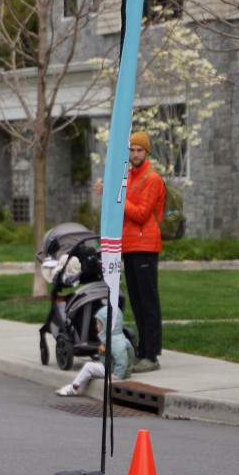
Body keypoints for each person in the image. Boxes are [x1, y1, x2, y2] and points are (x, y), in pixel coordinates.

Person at [96, 130, 166, 371]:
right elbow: (122, 206)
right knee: (137, 302)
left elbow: (141, 213)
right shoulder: (130, 176)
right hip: (130, 246)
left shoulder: (151, 178)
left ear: (147, 153)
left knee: (148, 303)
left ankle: (151, 356)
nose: (135, 154)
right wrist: (108, 192)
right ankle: (143, 351)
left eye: (139, 150)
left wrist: (117, 197)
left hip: (145, 246)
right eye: (132, 150)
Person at [56, 298, 135, 396]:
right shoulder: (116, 337)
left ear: (106, 325)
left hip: (115, 371)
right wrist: (104, 349)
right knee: (94, 367)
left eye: (98, 323)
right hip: (115, 368)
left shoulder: (115, 341)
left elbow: (122, 360)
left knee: (88, 367)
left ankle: (74, 388)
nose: (96, 326)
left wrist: (117, 375)